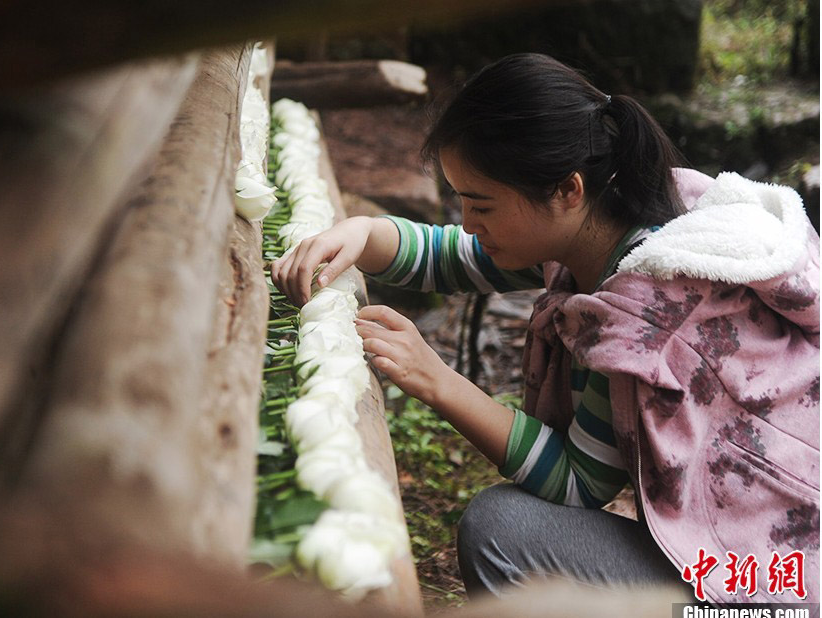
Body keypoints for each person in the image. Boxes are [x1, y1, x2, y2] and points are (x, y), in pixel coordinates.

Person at [270, 53, 820, 605]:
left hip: (772, 586)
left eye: (480, 204)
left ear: (567, 190)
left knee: (500, 534)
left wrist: (436, 380)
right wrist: (363, 234)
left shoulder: (648, 314)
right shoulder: (612, 216)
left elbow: (580, 482)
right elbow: (451, 256)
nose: (468, 221)